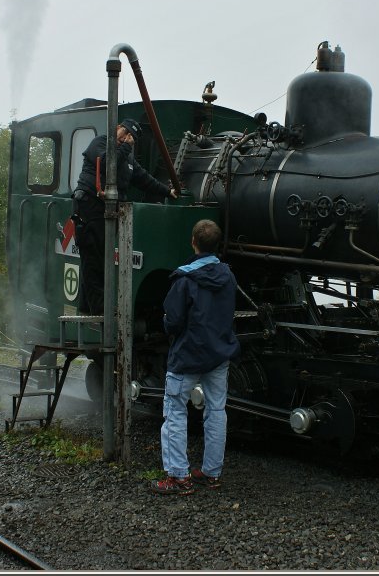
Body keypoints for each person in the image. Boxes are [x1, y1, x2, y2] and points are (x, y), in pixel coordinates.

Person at [150, 219, 241, 496]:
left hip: (187, 356)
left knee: (175, 412)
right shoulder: (228, 276)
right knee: (216, 411)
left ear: (193, 242)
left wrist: (167, 326)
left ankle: (179, 477)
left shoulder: (184, 279)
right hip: (219, 354)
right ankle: (212, 472)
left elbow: (173, 320)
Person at [71, 118, 177, 315]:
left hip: (107, 212)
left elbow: (143, 178)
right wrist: (126, 148)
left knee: (100, 260)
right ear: (117, 127)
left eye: (131, 137)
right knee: (93, 261)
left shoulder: (127, 158)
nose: (127, 137)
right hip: (90, 207)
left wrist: (167, 191)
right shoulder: (101, 142)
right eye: (125, 132)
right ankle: (100, 311)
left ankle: (88, 309)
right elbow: (106, 165)